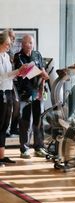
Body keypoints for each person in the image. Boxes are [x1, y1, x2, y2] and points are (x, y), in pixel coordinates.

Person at [14, 34, 49, 159]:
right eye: (25, 43)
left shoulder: (37, 54)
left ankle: (39, 147)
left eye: (30, 43)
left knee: (38, 121)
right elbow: (28, 72)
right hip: (25, 93)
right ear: (23, 44)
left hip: (37, 92)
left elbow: (43, 73)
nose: (28, 45)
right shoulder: (18, 56)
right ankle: (24, 149)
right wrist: (41, 73)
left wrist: (41, 89)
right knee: (26, 121)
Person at [0, 31, 30, 166]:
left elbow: (8, 76)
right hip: (0, 93)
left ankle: (1, 156)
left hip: (8, 92)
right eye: (7, 44)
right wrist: (16, 71)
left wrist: (20, 73)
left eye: (10, 44)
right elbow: (1, 77)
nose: (9, 46)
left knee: (5, 125)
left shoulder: (6, 56)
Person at [4, 29, 20, 137]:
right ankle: (6, 129)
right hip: (5, 81)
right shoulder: (4, 51)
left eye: (14, 38)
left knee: (16, 103)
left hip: (13, 81)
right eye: (11, 37)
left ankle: (13, 128)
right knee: (7, 106)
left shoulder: (14, 51)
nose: (13, 40)